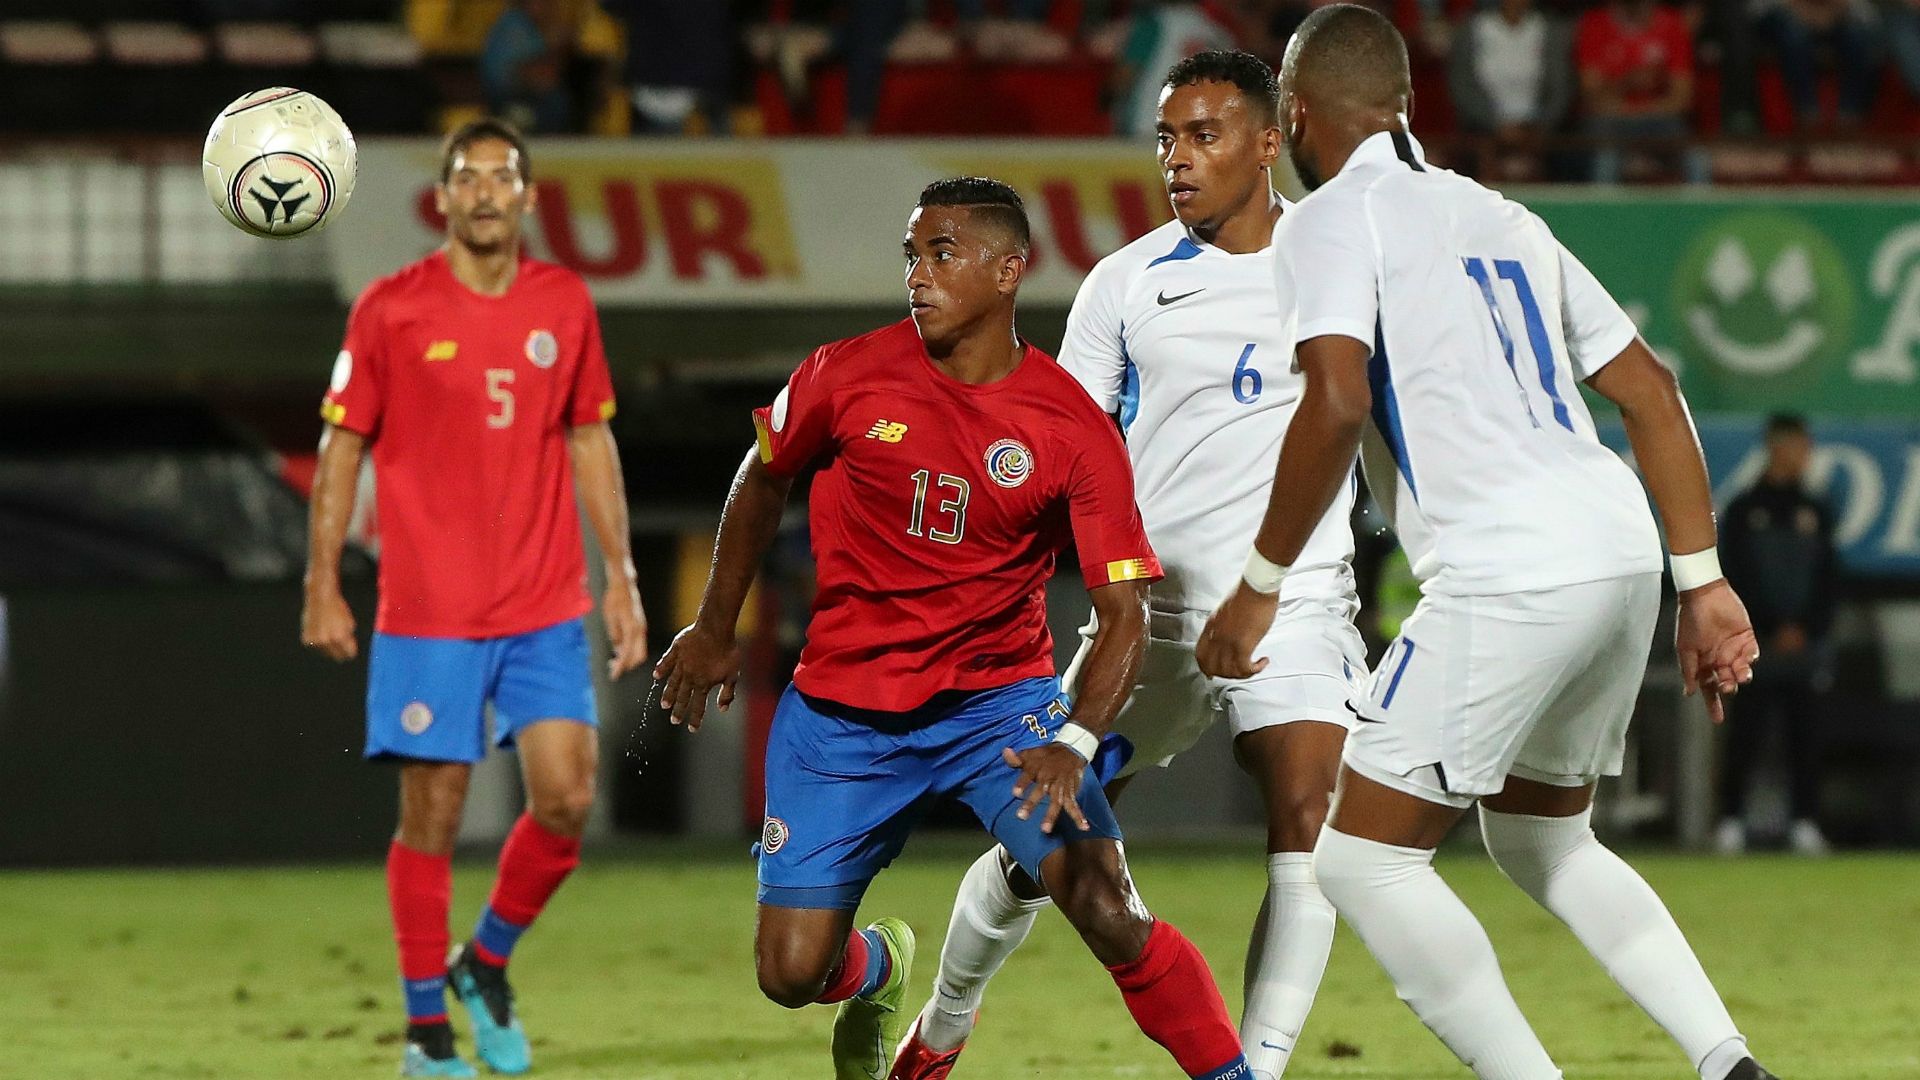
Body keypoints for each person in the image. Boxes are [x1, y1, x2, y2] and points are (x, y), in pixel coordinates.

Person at [1196, 7, 1781, 1080]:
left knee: (1363, 861)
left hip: (1508, 569)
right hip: (1616, 548)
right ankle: (1726, 1060)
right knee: (1544, 839)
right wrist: (1702, 584)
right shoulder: (1500, 214)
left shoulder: (1327, 221)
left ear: (1296, 113)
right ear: (1409, 104)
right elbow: (1650, 390)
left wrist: (1258, 587)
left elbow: (1332, 399)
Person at [651, 177, 1250, 1080]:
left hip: (996, 714)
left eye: (942, 253)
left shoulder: (1073, 429)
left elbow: (1126, 614)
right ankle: (880, 966)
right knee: (789, 973)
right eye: (911, 255)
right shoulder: (845, 373)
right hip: (843, 714)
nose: (918, 275)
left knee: (1108, 904)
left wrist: (1077, 739)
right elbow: (763, 473)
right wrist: (712, 625)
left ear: (1009, 271)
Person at [890, 51, 1362, 1080]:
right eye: (1165, 138)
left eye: (1204, 135)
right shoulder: (1127, 283)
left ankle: (1259, 1069)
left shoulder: (1341, 268)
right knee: (1038, 851)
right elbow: (1046, 447)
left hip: (1297, 605)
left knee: (1308, 819)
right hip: (1148, 621)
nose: (1177, 161)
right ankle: (940, 1026)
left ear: (1271, 139)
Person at [301, 118, 651, 1078]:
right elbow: (342, 448)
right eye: (469, 177)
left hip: (543, 603)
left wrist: (622, 578)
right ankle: (424, 1033)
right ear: (444, 197)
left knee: (569, 796)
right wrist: (322, 578)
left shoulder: (565, 304)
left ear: (530, 199)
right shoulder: (390, 309)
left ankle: (484, 962)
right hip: (430, 614)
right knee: (434, 816)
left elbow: (590, 441)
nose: (488, 190)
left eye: (505, 176)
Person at [1717, 414, 1838, 856]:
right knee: (1746, 733)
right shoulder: (1745, 509)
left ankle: (1805, 822)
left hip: (1805, 647)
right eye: (1794, 446)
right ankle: (1730, 821)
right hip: (1756, 644)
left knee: (1805, 735)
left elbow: (1827, 578)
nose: (1801, 455)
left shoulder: (1817, 509)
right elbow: (1736, 577)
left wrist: (1805, 628)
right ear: (1775, 447)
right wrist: (1768, 626)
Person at [1574, 0, 1708, 183]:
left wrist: (1643, 110)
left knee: (1696, 159)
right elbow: (1591, 96)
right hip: (1610, 121)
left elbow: (1682, 97)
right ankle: (1604, 211)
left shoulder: (1672, 25)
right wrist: (1627, 82)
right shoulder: (1594, 24)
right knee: (1606, 159)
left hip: (1659, 120)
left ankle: (1698, 211)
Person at [1448, 0, 1575, 180]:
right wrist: (1496, 125)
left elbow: (1560, 87)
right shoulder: (1473, 28)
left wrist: (1539, 127)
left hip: (1540, 130)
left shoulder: (1549, 29)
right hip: (1483, 129)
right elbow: (1462, 85)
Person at [1756, 0, 1879, 132]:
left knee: (1857, 37)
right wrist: (1803, 11)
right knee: (1795, 36)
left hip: (1836, 13)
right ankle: (1808, 114)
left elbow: (1865, 12)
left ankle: (1849, 116)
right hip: (1781, 12)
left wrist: (1833, 12)